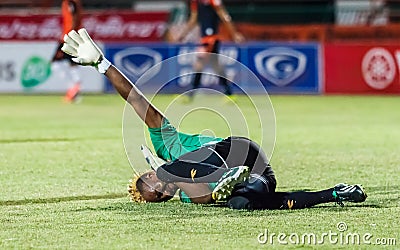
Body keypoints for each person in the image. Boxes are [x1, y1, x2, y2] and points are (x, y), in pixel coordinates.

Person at [61, 28, 368, 210]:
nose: (157, 187)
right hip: (256, 173)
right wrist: (189, 185)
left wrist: (103, 65)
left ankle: (227, 175)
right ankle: (335, 192)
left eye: (150, 179)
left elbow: (137, 101)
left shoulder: (167, 146)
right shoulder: (187, 195)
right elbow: (202, 194)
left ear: (149, 169)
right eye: (156, 194)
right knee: (244, 204)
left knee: (176, 169)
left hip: (236, 150)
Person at [173, 0, 245, 102]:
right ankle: (229, 94)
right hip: (204, 38)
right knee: (216, 65)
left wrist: (234, 34)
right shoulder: (195, 2)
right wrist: (183, 34)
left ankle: (190, 95)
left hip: (212, 38)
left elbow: (224, 15)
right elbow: (194, 19)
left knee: (199, 64)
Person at [51, 0, 83, 103]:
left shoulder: (70, 2)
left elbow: (74, 18)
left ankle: (73, 89)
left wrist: (70, 36)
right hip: (70, 37)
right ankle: (75, 90)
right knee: (72, 64)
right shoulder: (72, 2)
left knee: (55, 64)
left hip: (68, 38)